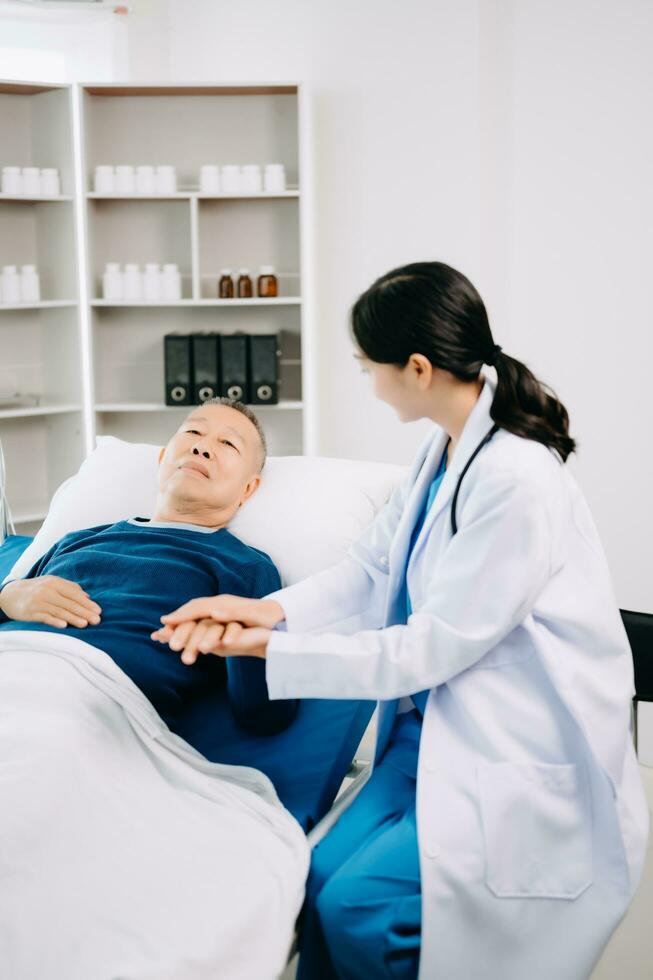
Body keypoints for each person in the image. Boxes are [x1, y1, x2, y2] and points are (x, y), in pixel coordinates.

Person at [153, 261, 649, 980]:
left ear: (415, 369)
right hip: (426, 736)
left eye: (369, 368)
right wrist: (265, 610)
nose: (369, 380)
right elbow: (370, 569)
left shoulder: (516, 481)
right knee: (314, 879)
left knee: (356, 906)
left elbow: (430, 650)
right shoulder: (439, 451)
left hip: (507, 751)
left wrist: (270, 651)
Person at [0, 397, 297, 739]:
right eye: (193, 432)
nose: (202, 447)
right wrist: (8, 597)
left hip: (89, 706)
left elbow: (265, 715)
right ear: (161, 460)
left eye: (227, 443)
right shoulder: (76, 540)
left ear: (248, 488)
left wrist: (238, 639)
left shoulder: (244, 567)